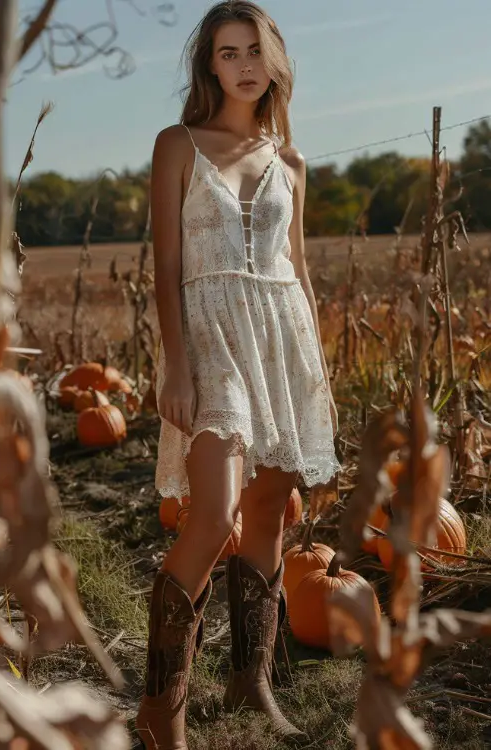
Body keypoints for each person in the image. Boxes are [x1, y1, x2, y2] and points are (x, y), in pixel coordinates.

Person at [136, 2, 340, 748]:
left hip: (284, 342)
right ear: (209, 66)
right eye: (228, 53)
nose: (244, 64)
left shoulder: (290, 162)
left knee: (267, 514)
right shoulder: (178, 144)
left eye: (255, 49)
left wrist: (315, 377)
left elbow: (299, 269)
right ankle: (161, 707)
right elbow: (164, 266)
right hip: (210, 336)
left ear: (275, 59)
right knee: (215, 513)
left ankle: (249, 682)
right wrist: (175, 363)